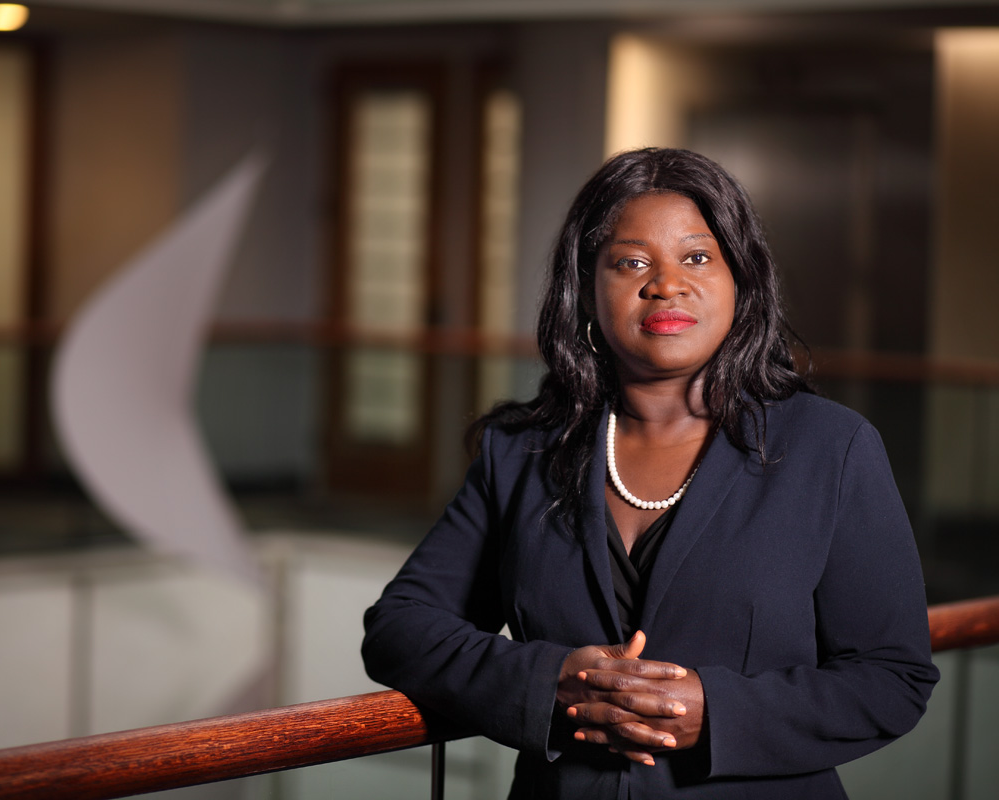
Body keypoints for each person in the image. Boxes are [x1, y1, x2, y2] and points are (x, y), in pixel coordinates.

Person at [361, 147, 938, 799]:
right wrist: (547, 683)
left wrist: (716, 712)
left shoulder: (831, 449)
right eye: (631, 262)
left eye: (696, 257)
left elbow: (892, 679)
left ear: (740, 280)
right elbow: (400, 627)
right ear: (587, 286)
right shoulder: (519, 451)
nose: (665, 284)